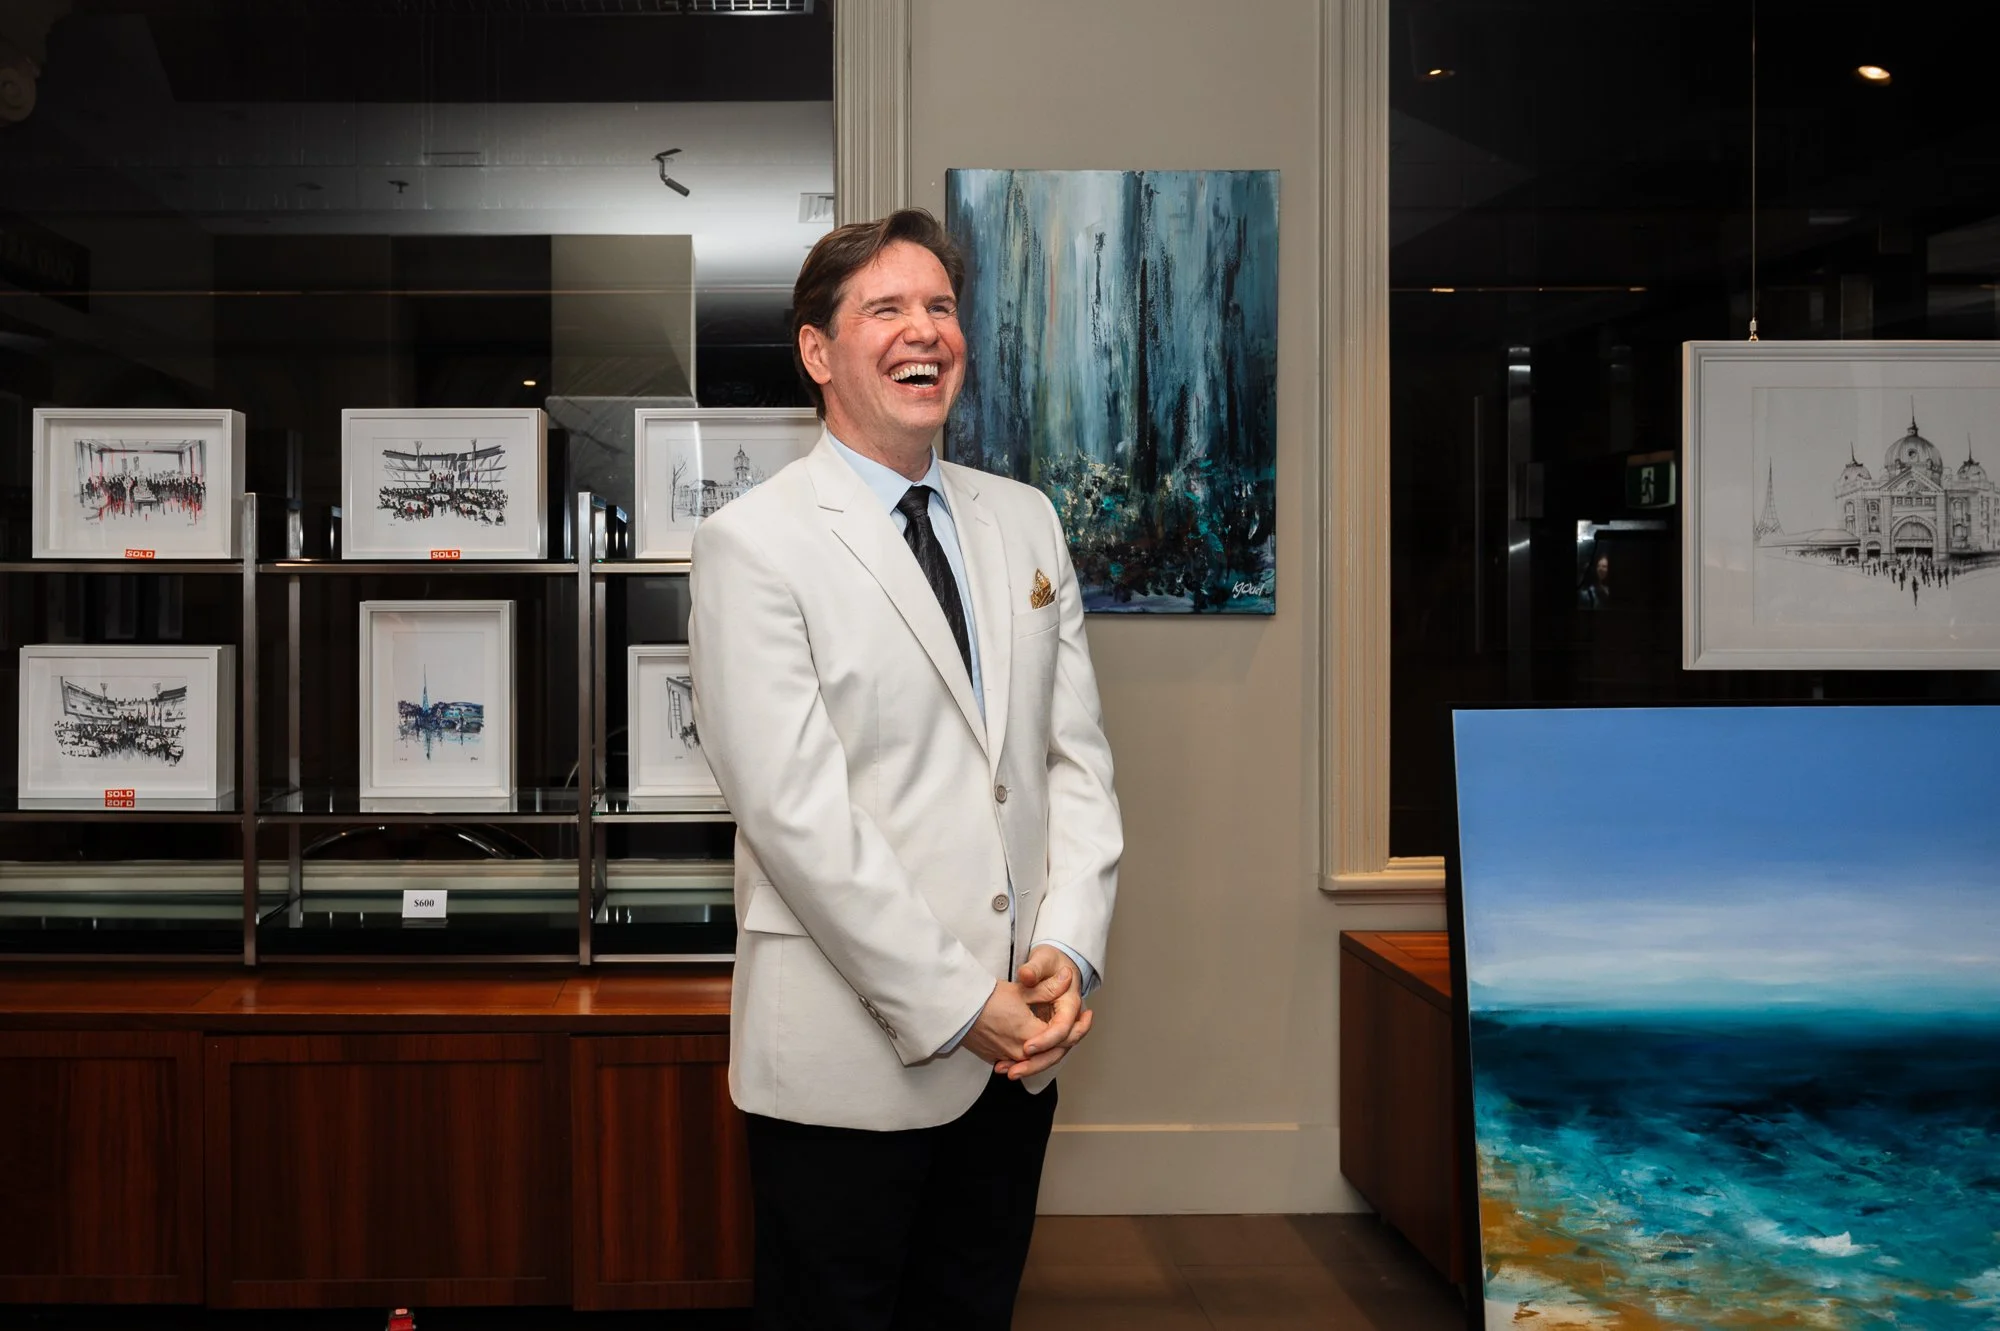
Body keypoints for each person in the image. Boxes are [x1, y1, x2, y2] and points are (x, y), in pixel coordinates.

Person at [688, 208, 1122, 1330]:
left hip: (1015, 1053)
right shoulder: (755, 542)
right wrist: (955, 1001)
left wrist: (1065, 945)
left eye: (938, 305)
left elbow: (1073, 762)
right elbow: (796, 818)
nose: (922, 328)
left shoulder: (1024, 522)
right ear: (818, 352)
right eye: (884, 307)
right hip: (845, 1066)